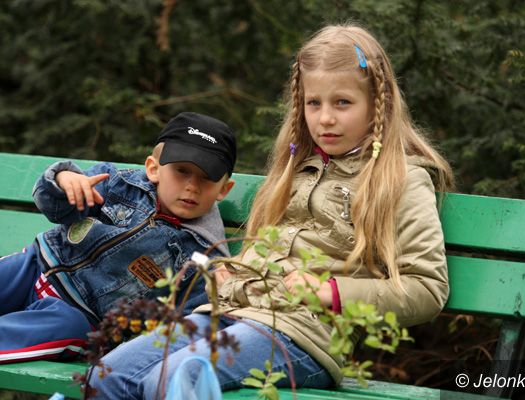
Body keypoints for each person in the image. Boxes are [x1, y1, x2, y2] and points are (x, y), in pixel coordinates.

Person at [90, 23, 454, 399]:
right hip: (230, 313)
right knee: (107, 375)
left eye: (342, 103)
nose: (325, 118)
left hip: (302, 337)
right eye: (314, 103)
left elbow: (427, 288)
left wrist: (330, 291)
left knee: (174, 378)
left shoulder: (400, 179)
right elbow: (272, 249)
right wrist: (234, 270)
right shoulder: (295, 169)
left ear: (379, 103)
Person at [0, 112, 236, 364]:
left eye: (207, 177)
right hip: (35, 266)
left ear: (223, 189)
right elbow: (56, 209)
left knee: (65, 327)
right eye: (182, 171)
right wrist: (63, 180)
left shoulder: (205, 259)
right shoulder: (119, 183)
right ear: (153, 169)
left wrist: (220, 293)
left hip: (83, 316)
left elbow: (185, 323)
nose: (192, 186)